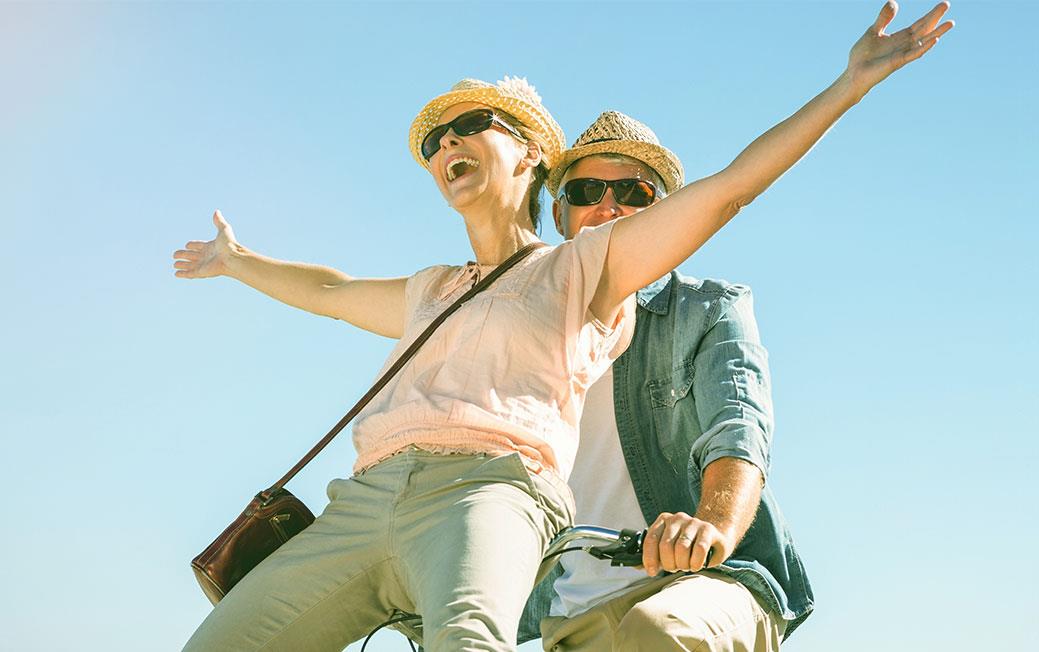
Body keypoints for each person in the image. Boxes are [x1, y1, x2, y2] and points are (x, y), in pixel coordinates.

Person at [173, 2, 952, 649]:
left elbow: (726, 196)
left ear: (530, 153)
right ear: (561, 189)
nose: (447, 141)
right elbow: (332, 289)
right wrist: (239, 260)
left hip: (516, 504)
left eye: (472, 122)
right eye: (435, 139)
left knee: (516, 639)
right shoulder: (434, 289)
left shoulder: (588, 273)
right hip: (380, 504)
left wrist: (847, 86)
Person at [515, 110, 810, 652]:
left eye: (633, 190)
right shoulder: (522, 332)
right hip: (572, 612)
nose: (608, 206)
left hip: (704, 584)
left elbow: (737, 430)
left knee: (657, 633)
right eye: (586, 190)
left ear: (665, 213)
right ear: (560, 215)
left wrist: (712, 526)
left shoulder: (708, 309)